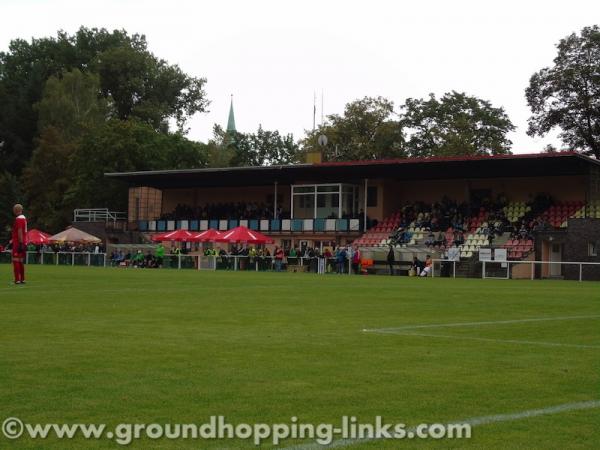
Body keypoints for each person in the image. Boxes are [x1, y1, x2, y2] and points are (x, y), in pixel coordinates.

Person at [11, 204, 27, 284]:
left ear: (15, 210)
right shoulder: (24, 219)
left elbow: (19, 231)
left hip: (18, 242)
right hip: (23, 241)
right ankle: (22, 279)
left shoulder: (18, 219)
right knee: (20, 261)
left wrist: (20, 243)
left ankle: (17, 279)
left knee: (15, 260)